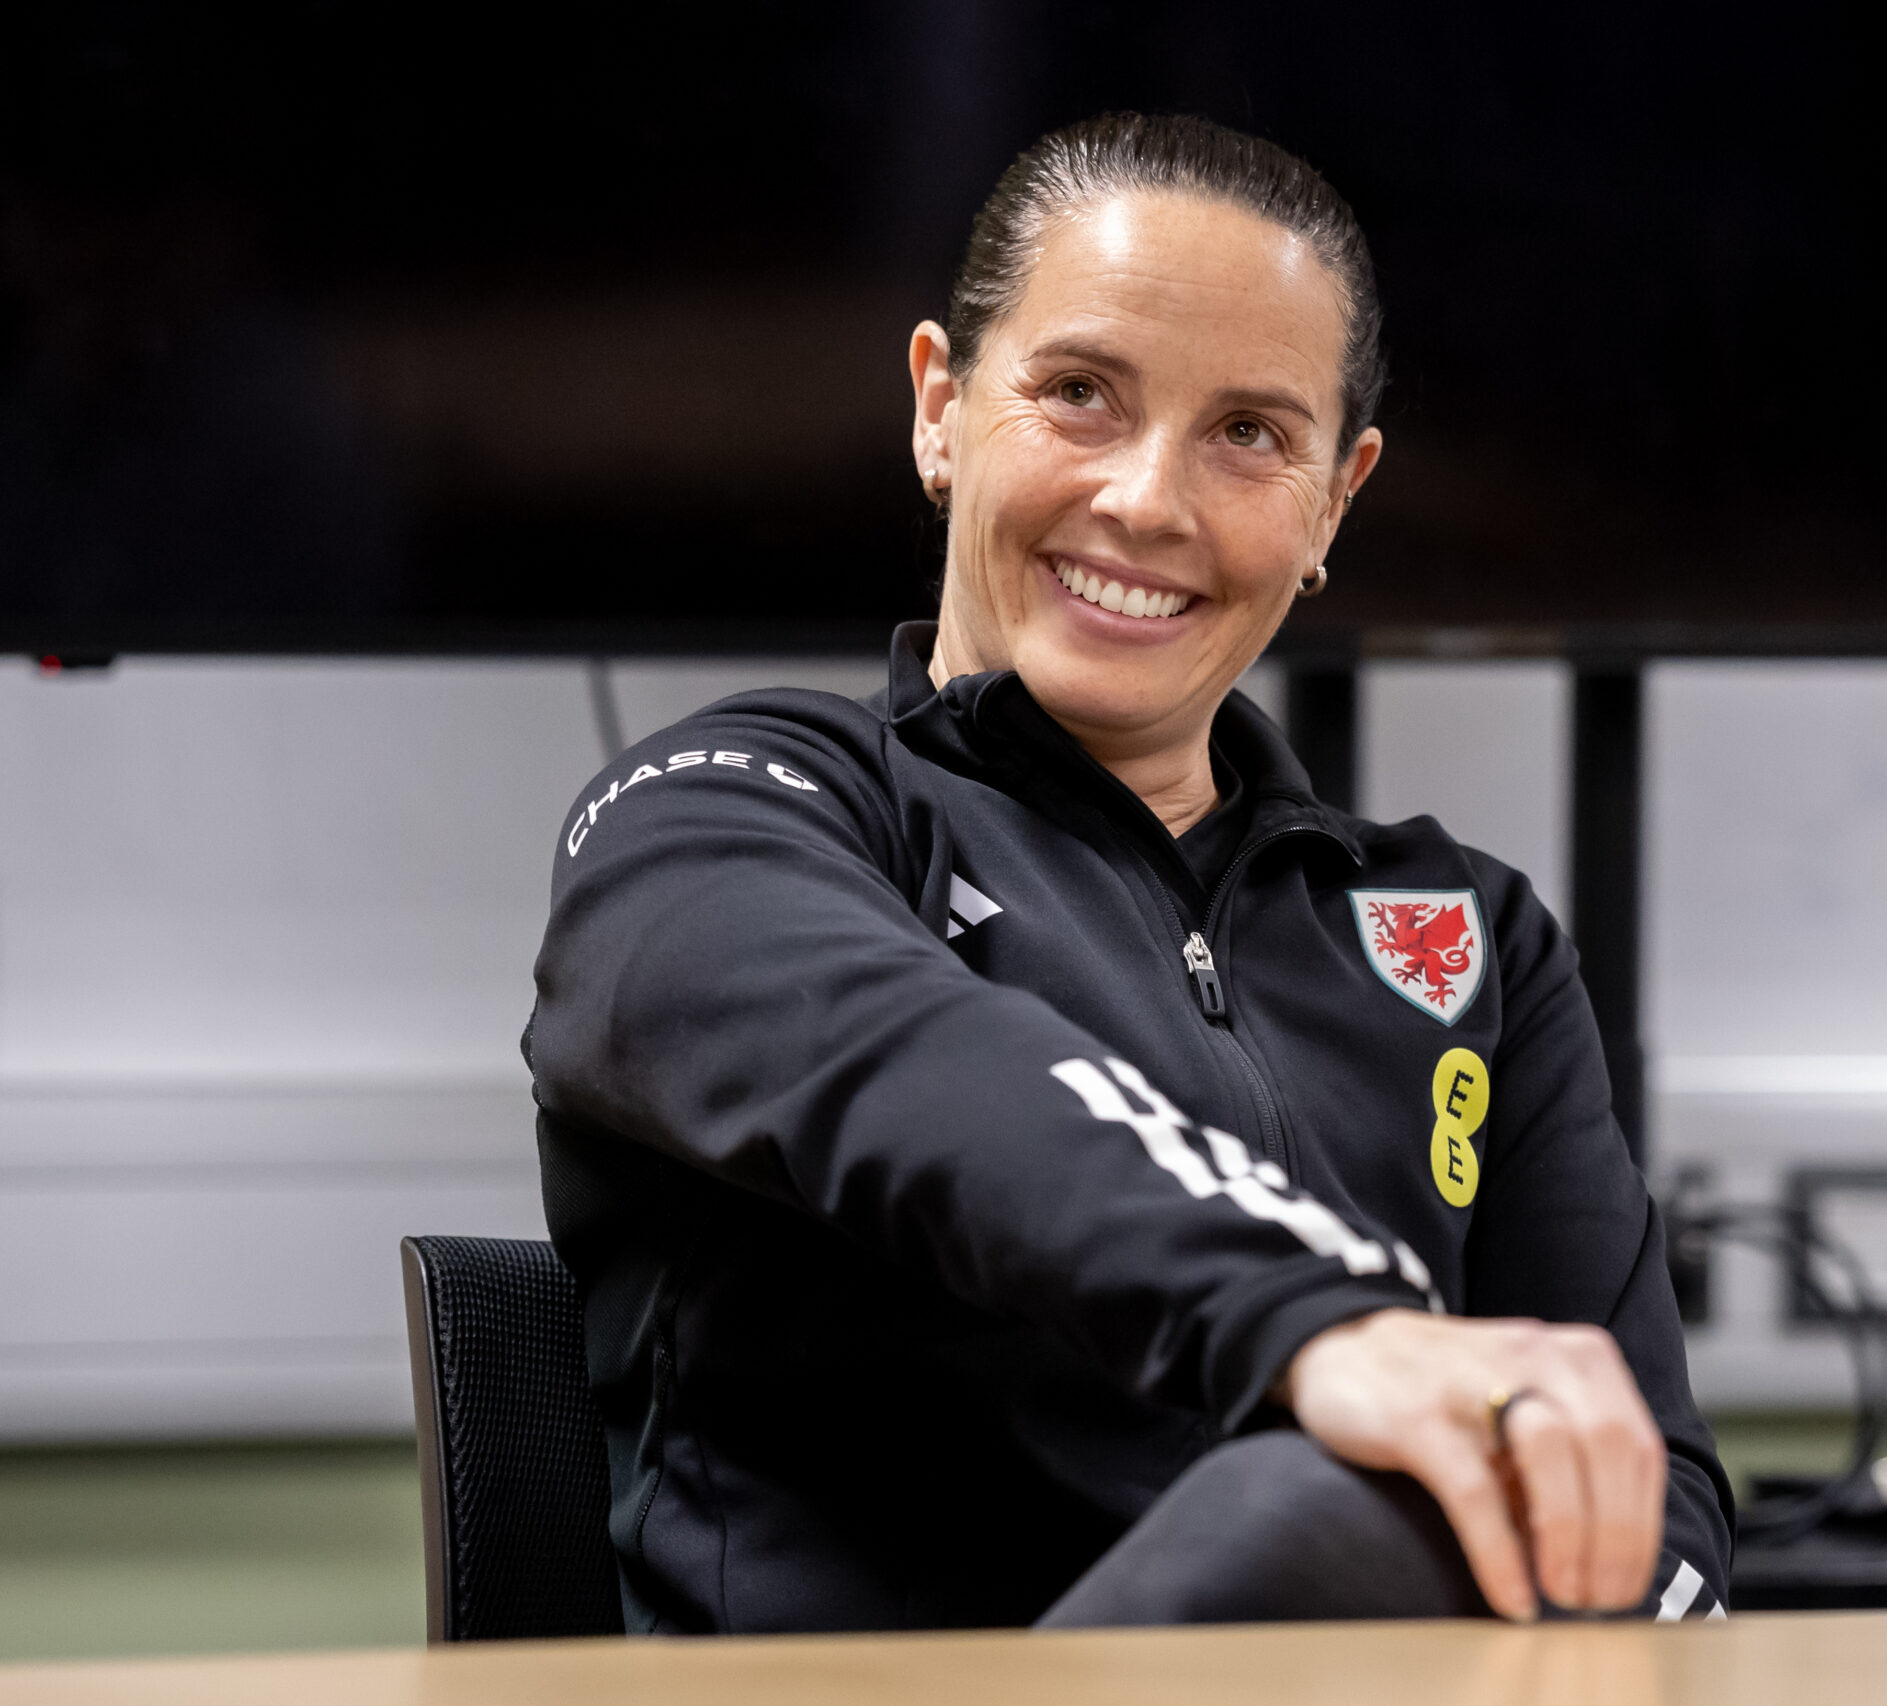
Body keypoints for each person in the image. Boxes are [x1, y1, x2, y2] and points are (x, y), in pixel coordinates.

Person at [529, 112, 1733, 1633]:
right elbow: (922, 1072)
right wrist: (1328, 1326)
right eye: (1081, 394)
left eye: (1250, 433)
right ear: (940, 409)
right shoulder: (720, 814)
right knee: (1330, 1496)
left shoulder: (1473, 934)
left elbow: (1656, 1513)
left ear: (1333, 505)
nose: (1149, 501)